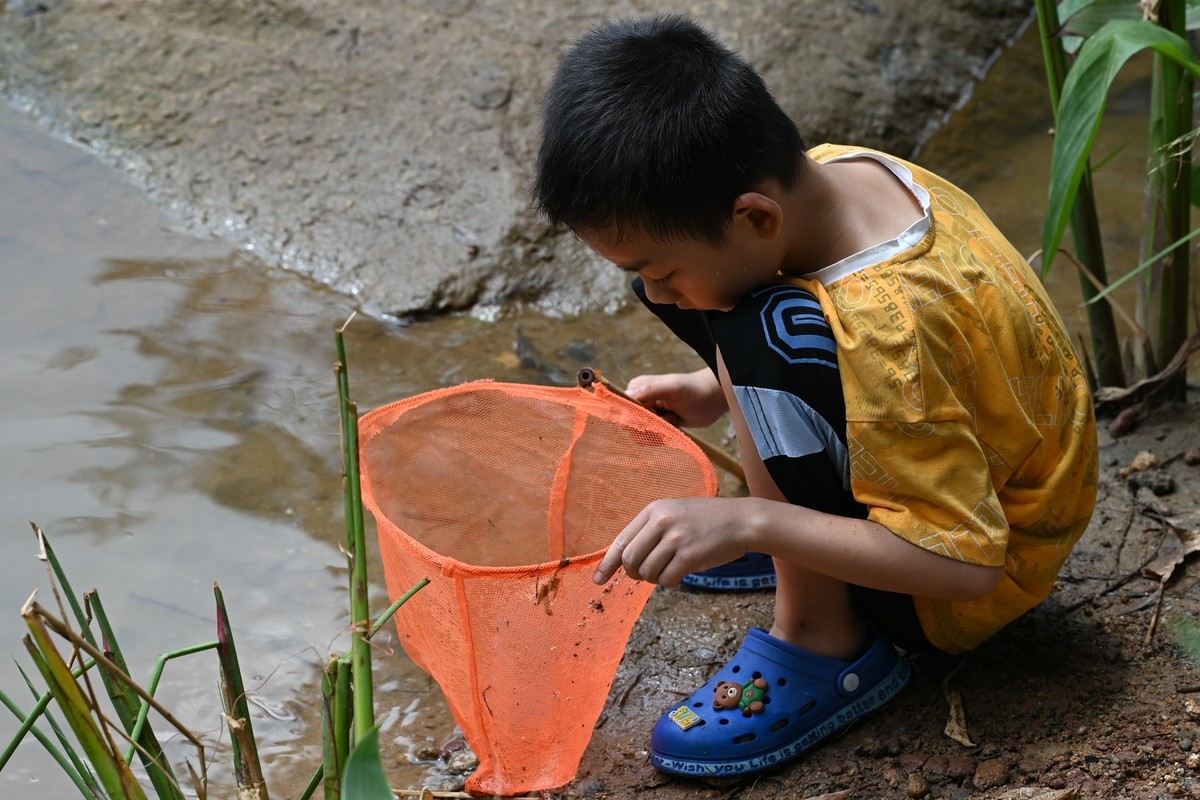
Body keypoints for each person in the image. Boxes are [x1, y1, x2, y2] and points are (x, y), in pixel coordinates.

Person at [532, 13, 1098, 778]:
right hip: (961, 458)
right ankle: (809, 545)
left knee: (762, 334)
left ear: (756, 216)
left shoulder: (884, 331)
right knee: (745, 324)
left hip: (969, 583)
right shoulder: (839, 171)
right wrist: (712, 389)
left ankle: (821, 636)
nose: (652, 288)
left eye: (659, 265)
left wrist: (755, 517)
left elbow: (971, 566)